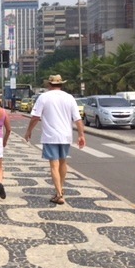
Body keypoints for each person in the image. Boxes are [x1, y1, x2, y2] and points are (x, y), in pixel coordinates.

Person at [24, 74, 86, 205]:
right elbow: (78, 119)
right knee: (63, 163)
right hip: (66, 135)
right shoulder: (69, 98)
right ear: (61, 84)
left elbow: (35, 117)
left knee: (54, 165)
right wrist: (81, 135)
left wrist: (29, 131)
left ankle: (59, 194)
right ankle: (60, 189)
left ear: (49, 84)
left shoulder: (44, 97)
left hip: (50, 136)